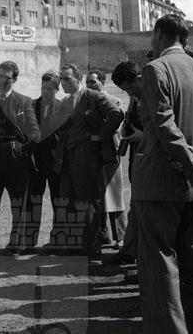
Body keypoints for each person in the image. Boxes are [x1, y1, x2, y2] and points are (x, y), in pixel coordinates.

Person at [133, 14, 193, 334]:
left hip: (160, 185)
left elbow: (166, 127)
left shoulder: (155, 69)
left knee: (159, 268)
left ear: (159, 34)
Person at [51, 63, 123, 257]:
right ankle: (73, 244)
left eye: (67, 78)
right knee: (68, 200)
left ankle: (91, 248)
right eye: (61, 79)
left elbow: (116, 114)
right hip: (67, 157)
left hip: (87, 155)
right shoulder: (65, 102)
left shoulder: (93, 97)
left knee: (88, 201)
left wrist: (100, 136)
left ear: (78, 78)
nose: (63, 82)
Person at [0, 61, 40, 257]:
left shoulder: (24, 101)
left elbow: (35, 133)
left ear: (14, 79)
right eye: (0, 76)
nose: (2, 80)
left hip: (16, 162)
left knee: (18, 205)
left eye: (7, 77)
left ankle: (16, 246)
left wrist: (22, 151)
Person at [106, 61, 144, 266]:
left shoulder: (153, 96)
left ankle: (137, 255)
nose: (128, 93)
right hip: (138, 156)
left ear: (139, 79)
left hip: (150, 157)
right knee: (136, 205)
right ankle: (130, 249)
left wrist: (140, 136)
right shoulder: (136, 98)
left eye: (129, 88)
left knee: (142, 207)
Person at [86, 69, 128, 250]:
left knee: (114, 194)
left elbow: (115, 123)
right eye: (87, 82)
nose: (89, 85)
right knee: (97, 194)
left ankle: (121, 236)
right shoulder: (86, 102)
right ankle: (103, 235)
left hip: (110, 152)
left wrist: (99, 135)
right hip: (94, 153)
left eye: (93, 82)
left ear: (102, 82)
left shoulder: (113, 101)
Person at [24, 71, 62, 252]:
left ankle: (57, 240)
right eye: (43, 88)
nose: (46, 91)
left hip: (56, 163)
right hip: (34, 162)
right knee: (33, 201)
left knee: (58, 201)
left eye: (50, 89)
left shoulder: (63, 108)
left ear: (57, 89)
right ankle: (29, 241)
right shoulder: (31, 106)